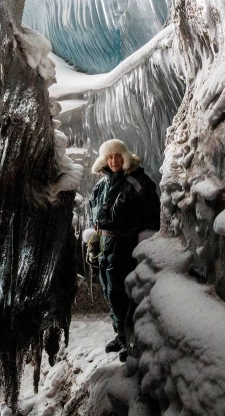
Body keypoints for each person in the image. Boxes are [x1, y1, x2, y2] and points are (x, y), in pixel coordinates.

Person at [87, 139, 159, 359]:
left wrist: (144, 245)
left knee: (126, 294)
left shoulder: (137, 182)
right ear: (104, 160)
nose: (114, 160)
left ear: (125, 157)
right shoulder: (100, 186)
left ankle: (132, 341)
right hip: (106, 247)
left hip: (126, 246)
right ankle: (120, 335)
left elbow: (152, 215)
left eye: (118, 156)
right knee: (110, 293)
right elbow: (96, 219)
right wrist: (94, 244)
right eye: (110, 157)